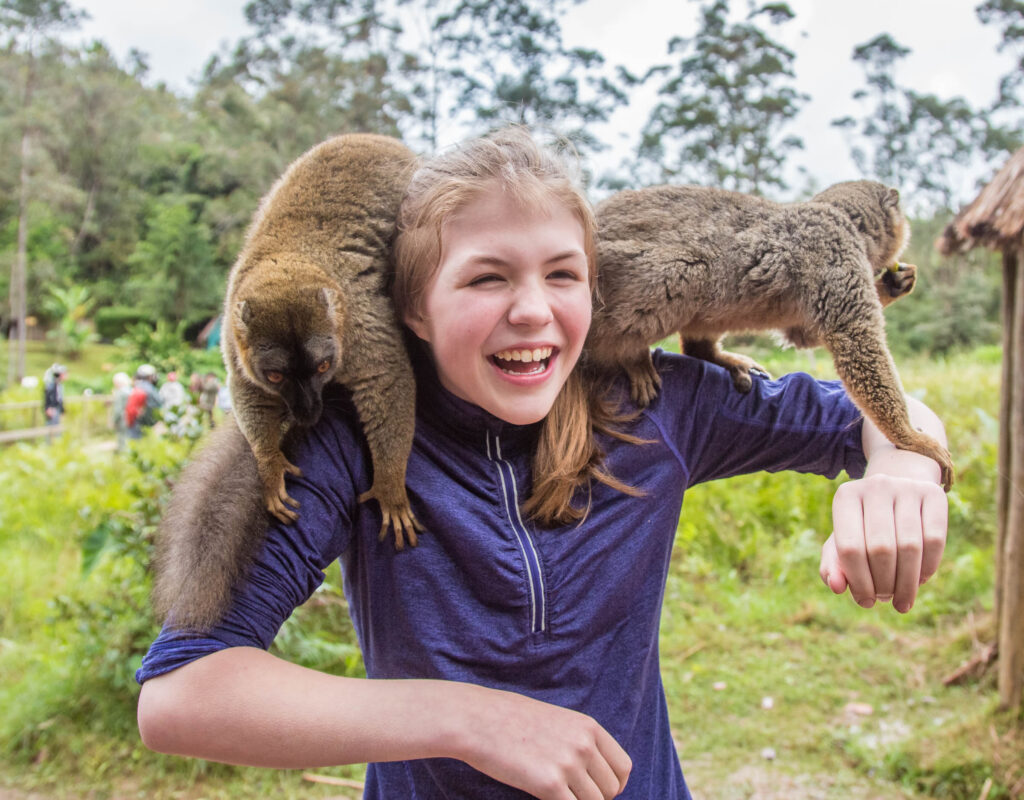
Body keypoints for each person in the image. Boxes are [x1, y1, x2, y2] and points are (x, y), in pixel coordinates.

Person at [136, 128, 948, 800]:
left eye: (564, 274)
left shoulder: (661, 406)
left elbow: (888, 421)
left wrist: (903, 472)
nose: (533, 309)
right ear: (413, 310)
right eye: (487, 278)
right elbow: (181, 696)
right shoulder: (357, 441)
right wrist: (469, 720)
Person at [126, 364, 163, 439]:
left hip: (135, 423)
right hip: (145, 424)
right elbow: (159, 404)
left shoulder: (136, 387)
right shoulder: (149, 389)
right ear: (150, 377)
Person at [42, 363, 67, 433]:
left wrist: (62, 410)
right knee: (51, 429)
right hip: (52, 409)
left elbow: (59, 398)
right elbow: (48, 396)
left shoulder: (59, 385)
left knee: (57, 429)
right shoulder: (51, 384)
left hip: (57, 409)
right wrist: (48, 407)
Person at [111, 371, 132, 452]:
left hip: (122, 418)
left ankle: (123, 455)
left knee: (121, 438)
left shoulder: (120, 393)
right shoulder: (130, 390)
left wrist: (114, 420)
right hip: (131, 417)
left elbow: (118, 409)